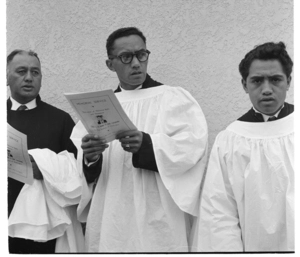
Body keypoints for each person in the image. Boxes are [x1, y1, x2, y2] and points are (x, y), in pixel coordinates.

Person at [70, 27, 208, 252]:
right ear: (110, 63)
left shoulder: (173, 98)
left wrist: (147, 144)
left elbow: (192, 147)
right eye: (126, 57)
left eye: (141, 54)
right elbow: (83, 171)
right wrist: (90, 158)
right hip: (111, 211)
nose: (136, 63)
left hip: (158, 210)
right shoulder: (97, 107)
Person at [190, 42, 294, 252]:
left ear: (288, 82)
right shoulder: (230, 140)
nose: (266, 89)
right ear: (245, 85)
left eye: (275, 80)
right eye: (257, 81)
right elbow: (219, 212)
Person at [7, 49, 78, 253]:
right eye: (21, 71)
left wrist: (47, 171)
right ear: (6, 76)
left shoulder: (61, 120)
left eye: (35, 72)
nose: (29, 78)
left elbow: (77, 171)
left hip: (45, 226)